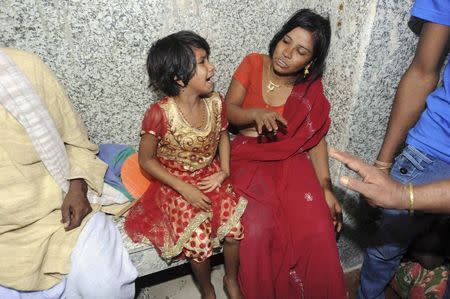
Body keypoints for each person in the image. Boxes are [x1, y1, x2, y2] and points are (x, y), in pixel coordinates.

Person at [225, 9, 346, 299]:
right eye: (286, 41)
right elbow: (226, 112)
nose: (286, 53)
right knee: (256, 231)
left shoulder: (309, 88)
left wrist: (326, 187)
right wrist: (252, 114)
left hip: (292, 161)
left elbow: (316, 139)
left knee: (318, 227)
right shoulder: (253, 63)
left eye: (300, 51)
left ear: (311, 62)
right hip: (248, 158)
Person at [0, 48, 137, 298]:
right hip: (5, 240)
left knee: (105, 286)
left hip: (59, 214)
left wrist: (77, 187)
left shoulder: (24, 68)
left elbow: (76, 142)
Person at [123, 31, 247, 299]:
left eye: (207, 59)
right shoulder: (160, 113)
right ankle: (207, 289)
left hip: (210, 175)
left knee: (235, 230)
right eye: (202, 62)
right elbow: (146, 159)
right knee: (199, 242)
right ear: (179, 78)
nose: (211, 67)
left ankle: (231, 279)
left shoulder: (216, 102)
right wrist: (184, 188)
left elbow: (223, 134)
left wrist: (224, 170)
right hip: (174, 184)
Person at [355, 0, 450, 297]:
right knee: (385, 248)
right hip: (435, 145)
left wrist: (401, 195)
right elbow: (423, 70)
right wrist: (383, 164)